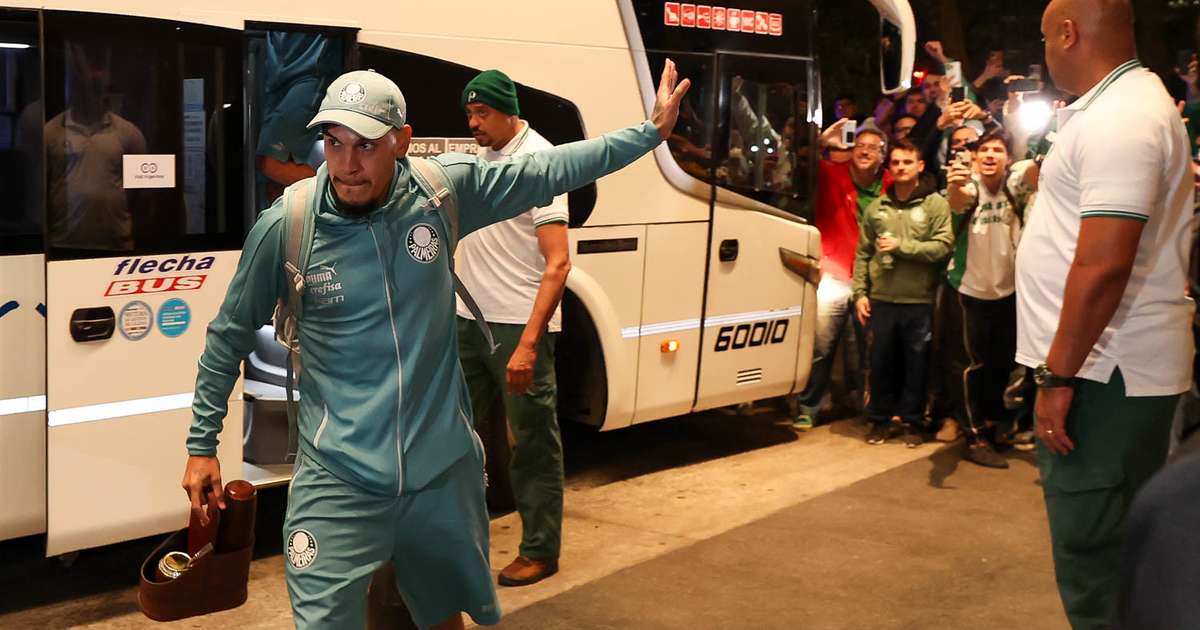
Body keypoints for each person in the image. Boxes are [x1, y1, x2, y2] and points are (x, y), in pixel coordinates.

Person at [181, 64, 691, 630]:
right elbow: (228, 335)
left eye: (365, 145)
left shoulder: (441, 192)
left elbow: (550, 168)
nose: (346, 164)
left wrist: (649, 134)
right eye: (334, 142)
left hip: (440, 473)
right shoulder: (290, 225)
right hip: (338, 478)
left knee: (442, 616)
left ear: (401, 141)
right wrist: (202, 445)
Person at [1017, 1, 1196, 627]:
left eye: (1046, 38)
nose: (1045, 52)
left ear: (1068, 33)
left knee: (1095, 559)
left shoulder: (1123, 116)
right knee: (1111, 552)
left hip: (1103, 373)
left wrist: (1057, 375)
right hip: (1104, 367)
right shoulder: (1121, 106)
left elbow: (1103, 265)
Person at [454, 70, 570, 587]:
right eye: (470, 114)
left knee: (531, 442)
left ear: (508, 112)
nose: (473, 124)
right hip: (468, 322)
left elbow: (559, 263)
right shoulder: (481, 158)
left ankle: (541, 550)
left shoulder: (539, 162)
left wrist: (528, 344)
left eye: (482, 114)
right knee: (454, 435)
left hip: (516, 326)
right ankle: (457, 543)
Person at [790, 117, 893, 429]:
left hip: (871, 277)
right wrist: (821, 142)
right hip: (832, 272)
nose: (864, 151)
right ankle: (808, 407)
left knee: (864, 348)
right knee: (821, 345)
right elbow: (796, 167)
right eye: (859, 145)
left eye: (873, 147)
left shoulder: (890, 184)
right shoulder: (831, 173)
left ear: (883, 154)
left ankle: (864, 406)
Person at [853, 139, 953, 447]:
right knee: (880, 363)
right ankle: (879, 420)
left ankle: (912, 422)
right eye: (895, 162)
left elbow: (943, 246)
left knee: (917, 365)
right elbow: (863, 253)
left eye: (907, 162)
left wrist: (902, 247)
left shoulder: (935, 204)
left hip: (919, 299)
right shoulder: (877, 208)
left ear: (920, 166)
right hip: (882, 298)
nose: (900, 167)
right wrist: (860, 293)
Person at [943, 129, 1032, 468]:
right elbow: (957, 200)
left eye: (997, 150)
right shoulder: (968, 187)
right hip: (968, 290)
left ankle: (993, 426)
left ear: (1008, 158)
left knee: (1001, 364)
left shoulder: (1015, 188)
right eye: (984, 150)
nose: (990, 155)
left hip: (1008, 291)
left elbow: (1039, 172)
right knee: (969, 367)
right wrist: (954, 185)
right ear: (975, 158)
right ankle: (974, 434)